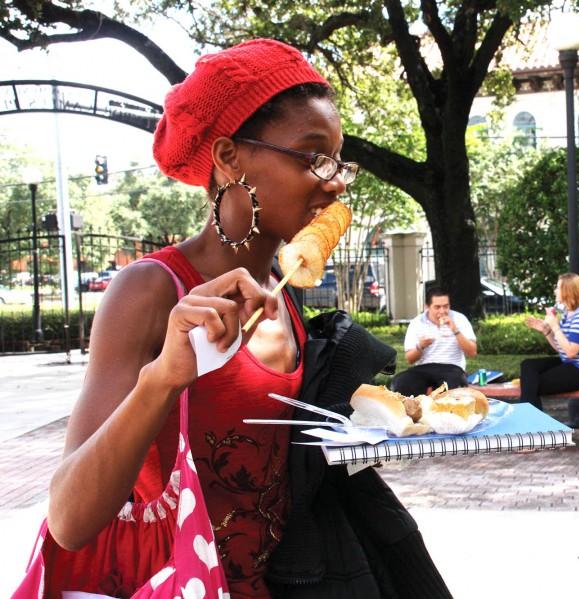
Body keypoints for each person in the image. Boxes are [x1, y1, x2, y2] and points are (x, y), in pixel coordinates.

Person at [44, 39, 450, 598]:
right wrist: (162, 378)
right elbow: (68, 521)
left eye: (337, 161)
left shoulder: (285, 298)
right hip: (170, 582)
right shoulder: (150, 290)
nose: (333, 183)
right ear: (230, 157)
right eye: (312, 156)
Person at [520, 273, 579, 411]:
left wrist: (554, 326)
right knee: (528, 366)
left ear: (568, 291)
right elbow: (562, 350)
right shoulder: (568, 314)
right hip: (571, 364)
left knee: (532, 384)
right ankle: (530, 422)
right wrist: (546, 331)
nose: (555, 291)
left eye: (558, 288)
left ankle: (528, 422)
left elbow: (571, 352)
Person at [392, 286, 477, 396]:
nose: (442, 311)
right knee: (402, 382)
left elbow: (472, 352)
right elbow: (410, 359)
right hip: (424, 367)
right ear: (427, 307)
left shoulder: (459, 319)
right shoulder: (417, 323)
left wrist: (455, 330)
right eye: (437, 307)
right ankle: (411, 411)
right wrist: (421, 346)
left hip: (452, 367)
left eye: (446, 306)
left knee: (450, 384)